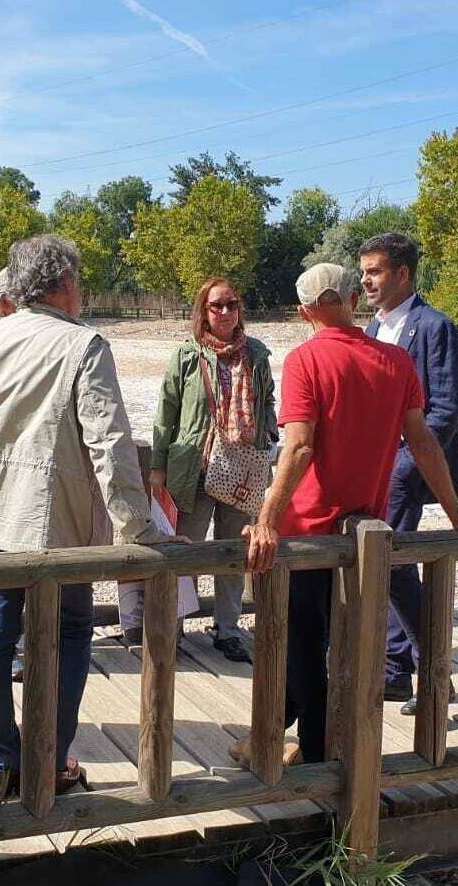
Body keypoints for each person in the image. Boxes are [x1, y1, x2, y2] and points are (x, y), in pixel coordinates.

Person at [0, 234, 186, 802]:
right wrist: (137, 531)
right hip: (55, 520)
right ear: (66, 285)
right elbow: (111, 444)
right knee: (70, 631)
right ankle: (51, 760)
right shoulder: (82, 344)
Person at [238, 263, 458, 765]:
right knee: (345, 649)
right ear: (353, 301)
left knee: (302, 649)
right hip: (365, 533)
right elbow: (423, 444)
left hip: (307, 533)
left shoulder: (304, 360)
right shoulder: (396, 361)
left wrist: (267, 520)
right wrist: (457, 516)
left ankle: (310, 757)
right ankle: (312, 748)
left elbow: (297, 449)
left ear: (302, 311)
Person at [359, 232, 458, 716]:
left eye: (375, 271)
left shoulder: (434, 327)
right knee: (384, 566)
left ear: (403, 274)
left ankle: (433, 672)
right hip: (371, 468)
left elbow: (445, 411)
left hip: (406, 469)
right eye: (362, 273)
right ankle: (395, 673)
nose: (366, 281)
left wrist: (403, 464)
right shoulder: (371, 329)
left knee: (394, 564)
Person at [149, 277, 277, 662]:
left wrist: (266, 429)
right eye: (216, 306)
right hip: (194, 470)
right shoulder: (187, 356)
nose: (225, 312)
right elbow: (165, 413)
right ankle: (174, 626)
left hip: (241, 469)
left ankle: (227, 628)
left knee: (233, 552)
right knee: (186, 551)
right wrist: (158, 467)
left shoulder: (255, 354)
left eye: (231, 304)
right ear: (202, 312)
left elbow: (269, 399)